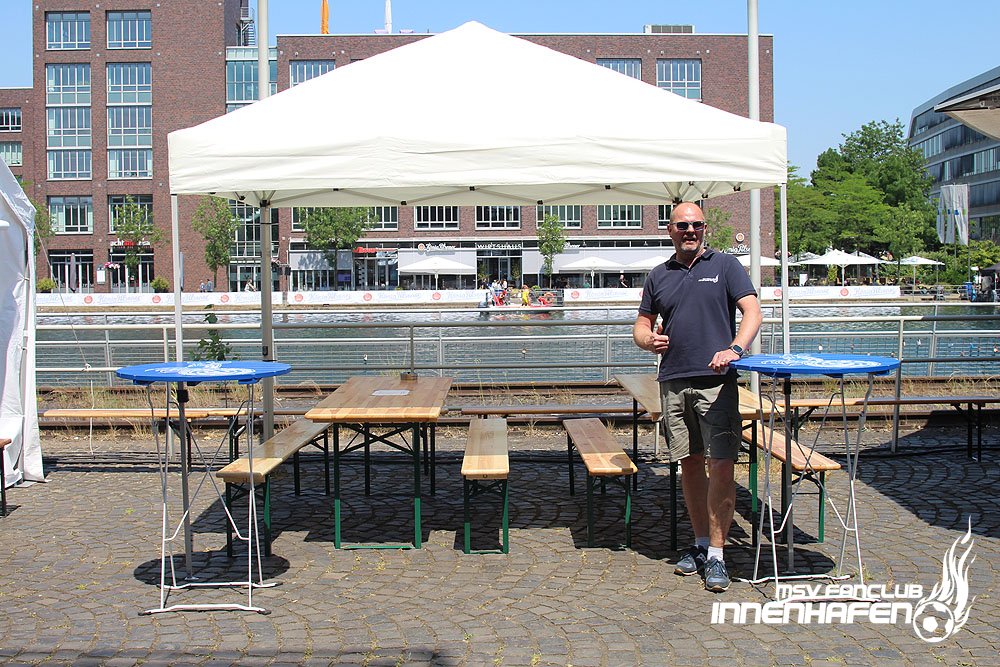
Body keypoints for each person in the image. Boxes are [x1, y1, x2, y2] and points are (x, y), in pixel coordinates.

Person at [631, 201, 762, 593]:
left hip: (716, 383)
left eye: (697, 225)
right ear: (670, 230)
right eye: (683, 226)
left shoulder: (725, 266)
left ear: (705, 229)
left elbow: (752, 312)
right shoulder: (659, 275)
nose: (690, 231)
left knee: (721, 465)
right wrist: (647, 340)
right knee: (688, 464)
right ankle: (702, 544)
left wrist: (735, 349)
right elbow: (641, 324)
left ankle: (719, 554)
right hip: (673, 380)